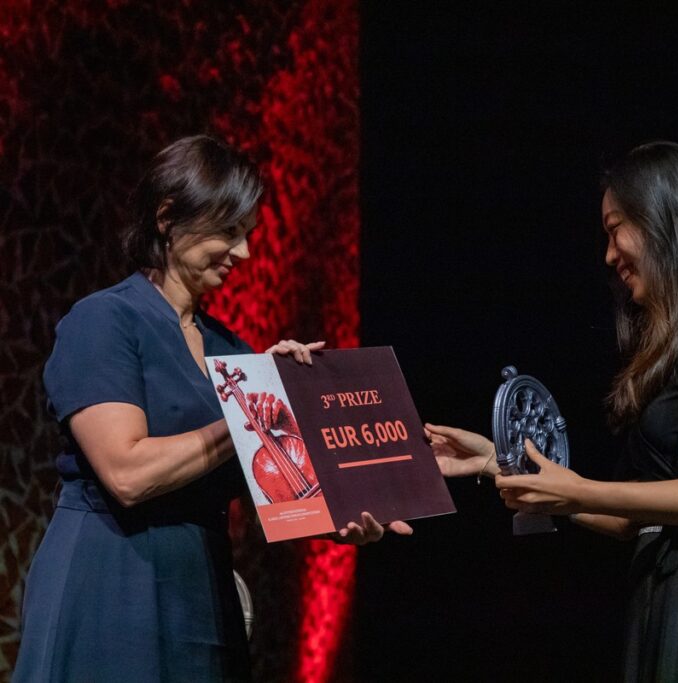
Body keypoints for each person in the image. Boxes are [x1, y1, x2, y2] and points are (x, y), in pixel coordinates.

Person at [14, 135, 409, 682]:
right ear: (168, 217)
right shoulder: (104, 321)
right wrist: (255, 407)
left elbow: (280, 489)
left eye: (247, 235)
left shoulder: (232, 351)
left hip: (200, 591)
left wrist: (349, 512)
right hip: (110, 580)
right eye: (228, 232)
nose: (243, 253)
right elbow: (127, 473)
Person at [428, 141, 678, 682]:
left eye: (616, 228)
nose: (609, 254)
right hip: (663, 596)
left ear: (664, 218)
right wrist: (499, 464)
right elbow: (627, 518)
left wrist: (577, 492)